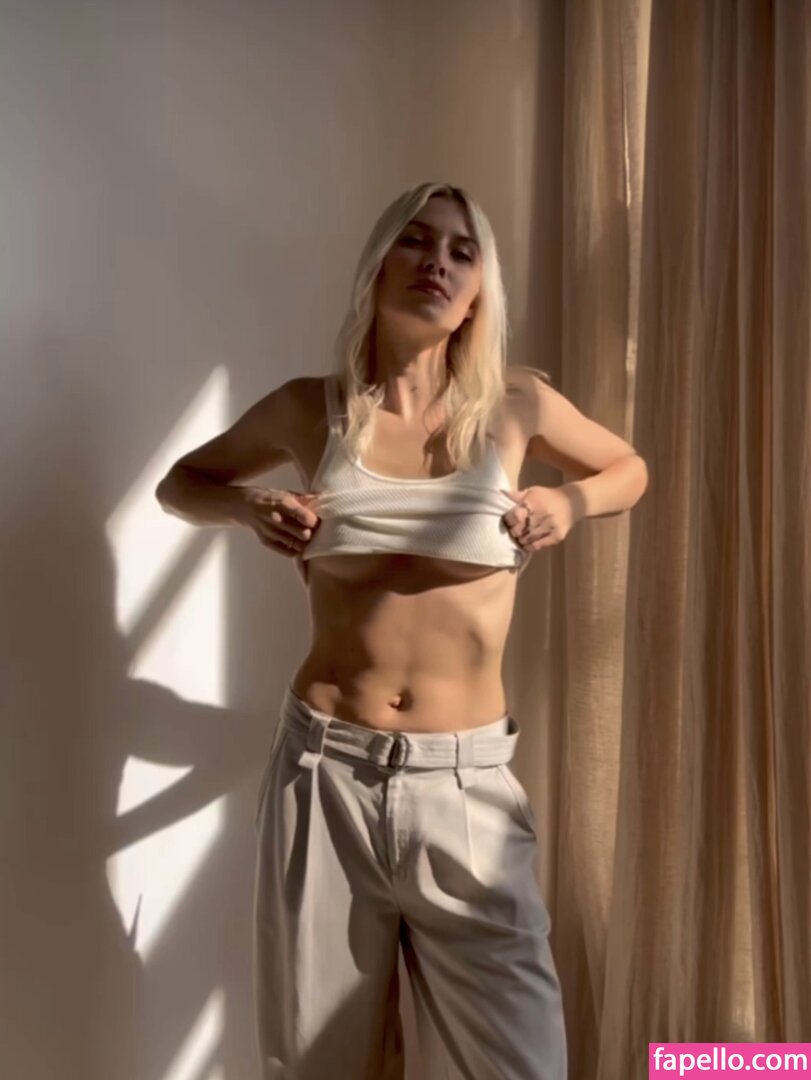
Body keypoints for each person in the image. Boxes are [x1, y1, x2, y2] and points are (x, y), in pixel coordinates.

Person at [155, 182, 646, 1079]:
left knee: (524, 1064)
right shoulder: (311, 409)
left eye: (462, 250)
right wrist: (248, 508)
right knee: (319, 1064)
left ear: (479, 291)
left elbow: (628, 468)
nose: (437, 263)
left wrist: (569, 503)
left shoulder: (517, 406)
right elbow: (180, 482)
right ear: (379, 263)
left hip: (466, 786)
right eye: (416, 241)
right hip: (323, 774)